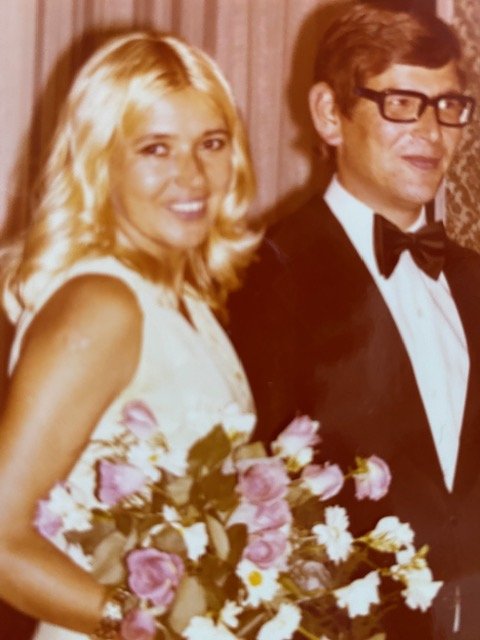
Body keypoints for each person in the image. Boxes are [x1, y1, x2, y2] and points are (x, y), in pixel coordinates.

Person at [228, 2, 480, 639]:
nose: (432, 132)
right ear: (328, 114)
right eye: (402, 103)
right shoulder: (262, 279)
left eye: (449, 105)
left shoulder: (474, 279)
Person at [0, 31, 260, 640]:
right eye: (155, 149)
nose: (192, 176)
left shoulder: (183, 301)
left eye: (212, 144)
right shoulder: (103, 304)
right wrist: (145, 626)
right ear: (100, 161)